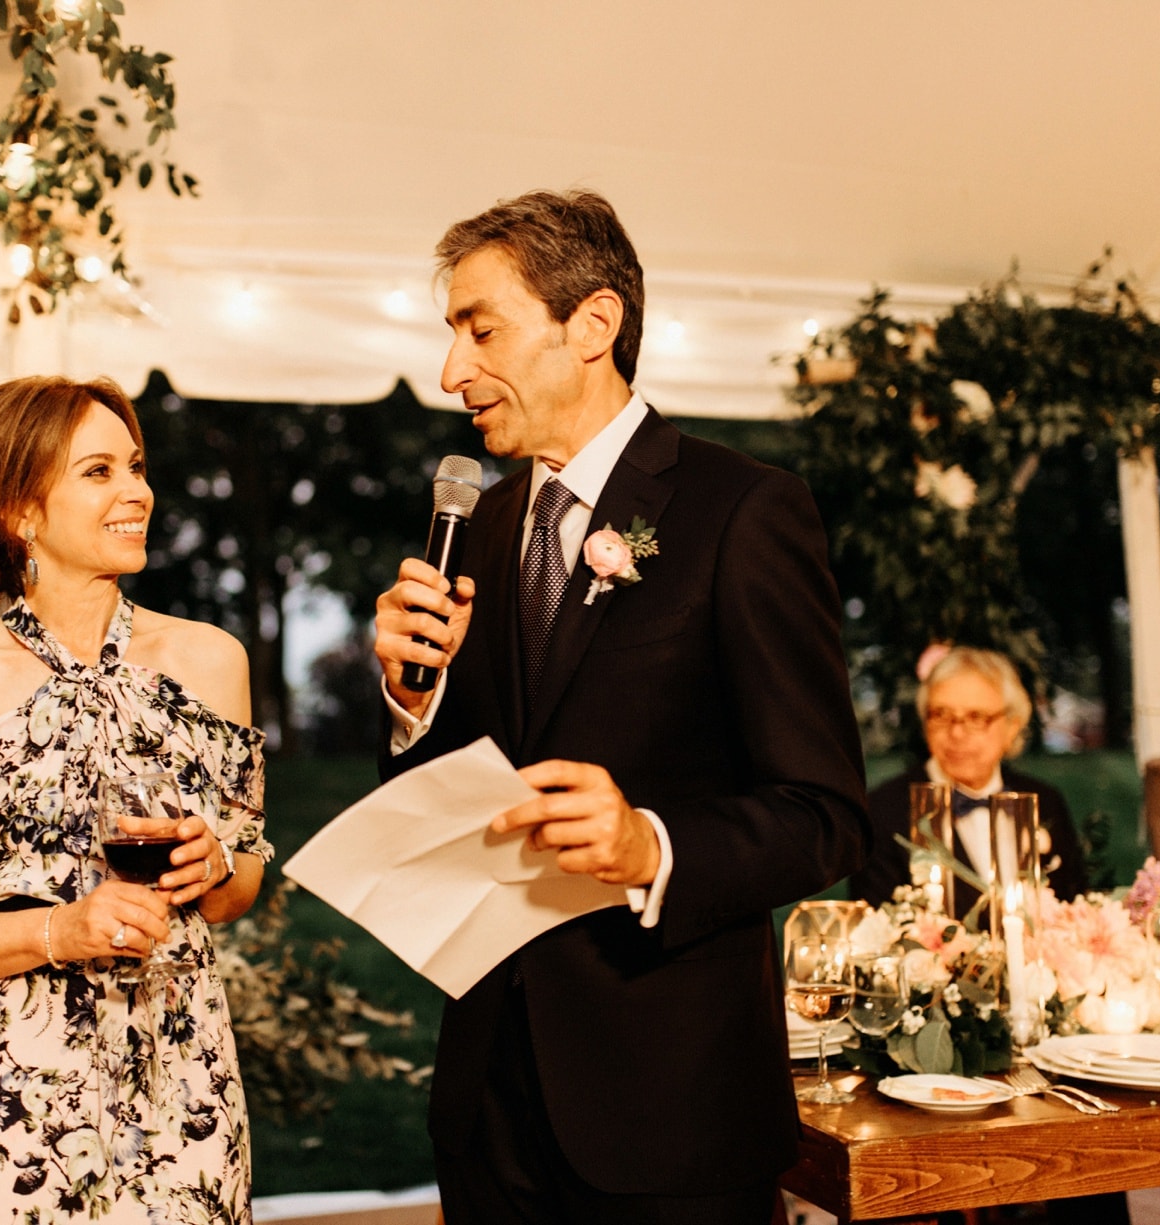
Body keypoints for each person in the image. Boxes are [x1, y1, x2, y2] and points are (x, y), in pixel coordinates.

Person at [372, 189, 869, 1223]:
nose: (450, 372)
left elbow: (824, 814)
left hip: (667, 1115)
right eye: (451, 335)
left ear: (590, 325)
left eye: (480, 329)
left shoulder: (741, 511)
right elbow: (461, 800)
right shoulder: (485, 525)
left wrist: (650, 844)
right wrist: (414, 703)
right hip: (489, 1109)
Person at [0, 376, 270, 1224]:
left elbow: (238, 891)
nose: (136, 491)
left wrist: (217, 862)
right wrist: (60, 930)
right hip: (7, 1106)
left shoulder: (213, 661)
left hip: (181, 1087)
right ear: (20, 511)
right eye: (98, 471)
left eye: (138, 465)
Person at [853, 645, 1089, 916]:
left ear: (1012, 726)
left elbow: (1074, 910)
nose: (956, 733)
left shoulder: (1045, 801)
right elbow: (873, 931)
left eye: (976, 717)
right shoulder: (884, 811)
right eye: (941, 715)